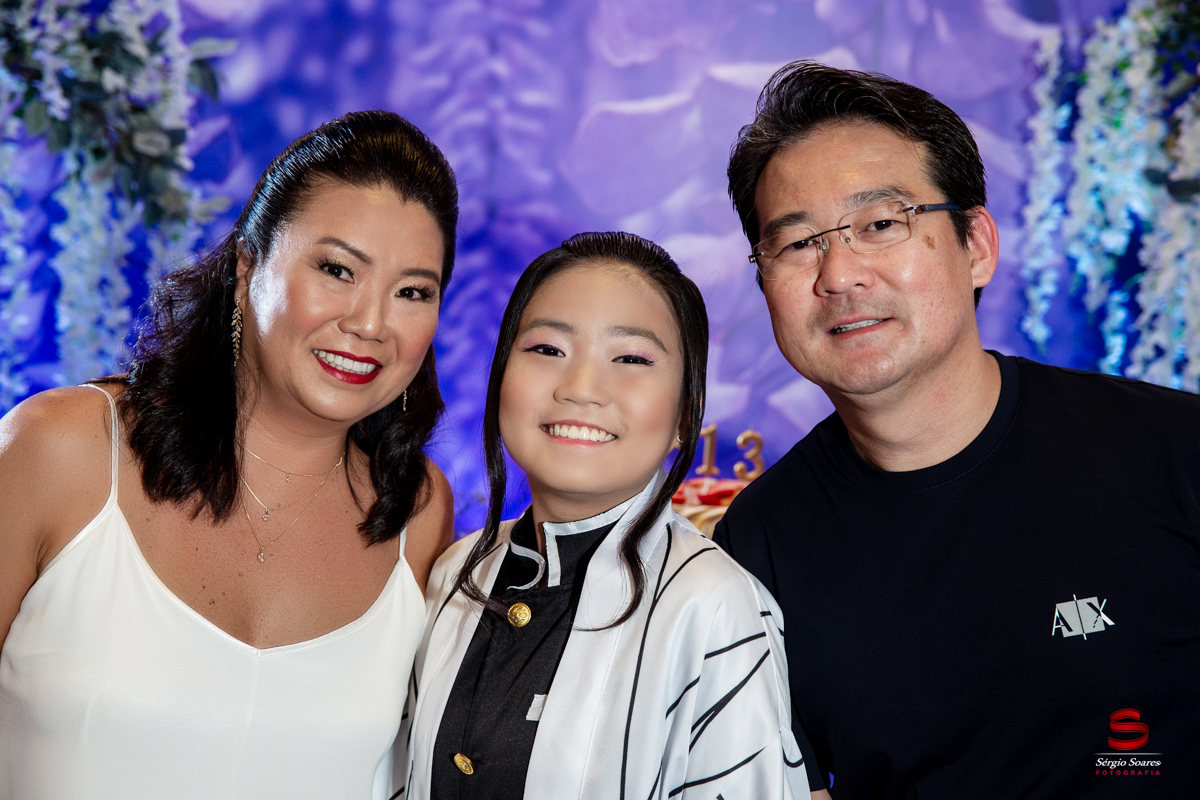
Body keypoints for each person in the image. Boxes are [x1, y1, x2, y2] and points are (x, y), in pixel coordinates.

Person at [716, 60, 1200, 799]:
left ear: (976, 245)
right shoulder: (758, 547)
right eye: (799, 243)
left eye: (881, 225)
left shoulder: (1174, 455)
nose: (838, 274)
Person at [0, 110, 457, 799]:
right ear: (247, 268)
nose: (370, 323)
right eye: (337, 269)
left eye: (412, 292)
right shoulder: (65, 448)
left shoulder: (415, 512)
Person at [405, 232, 808, 799]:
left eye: (631, 359)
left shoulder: (714, 605)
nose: (582, 389)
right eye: (548, 350)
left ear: (686, 415)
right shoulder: (453, 574)